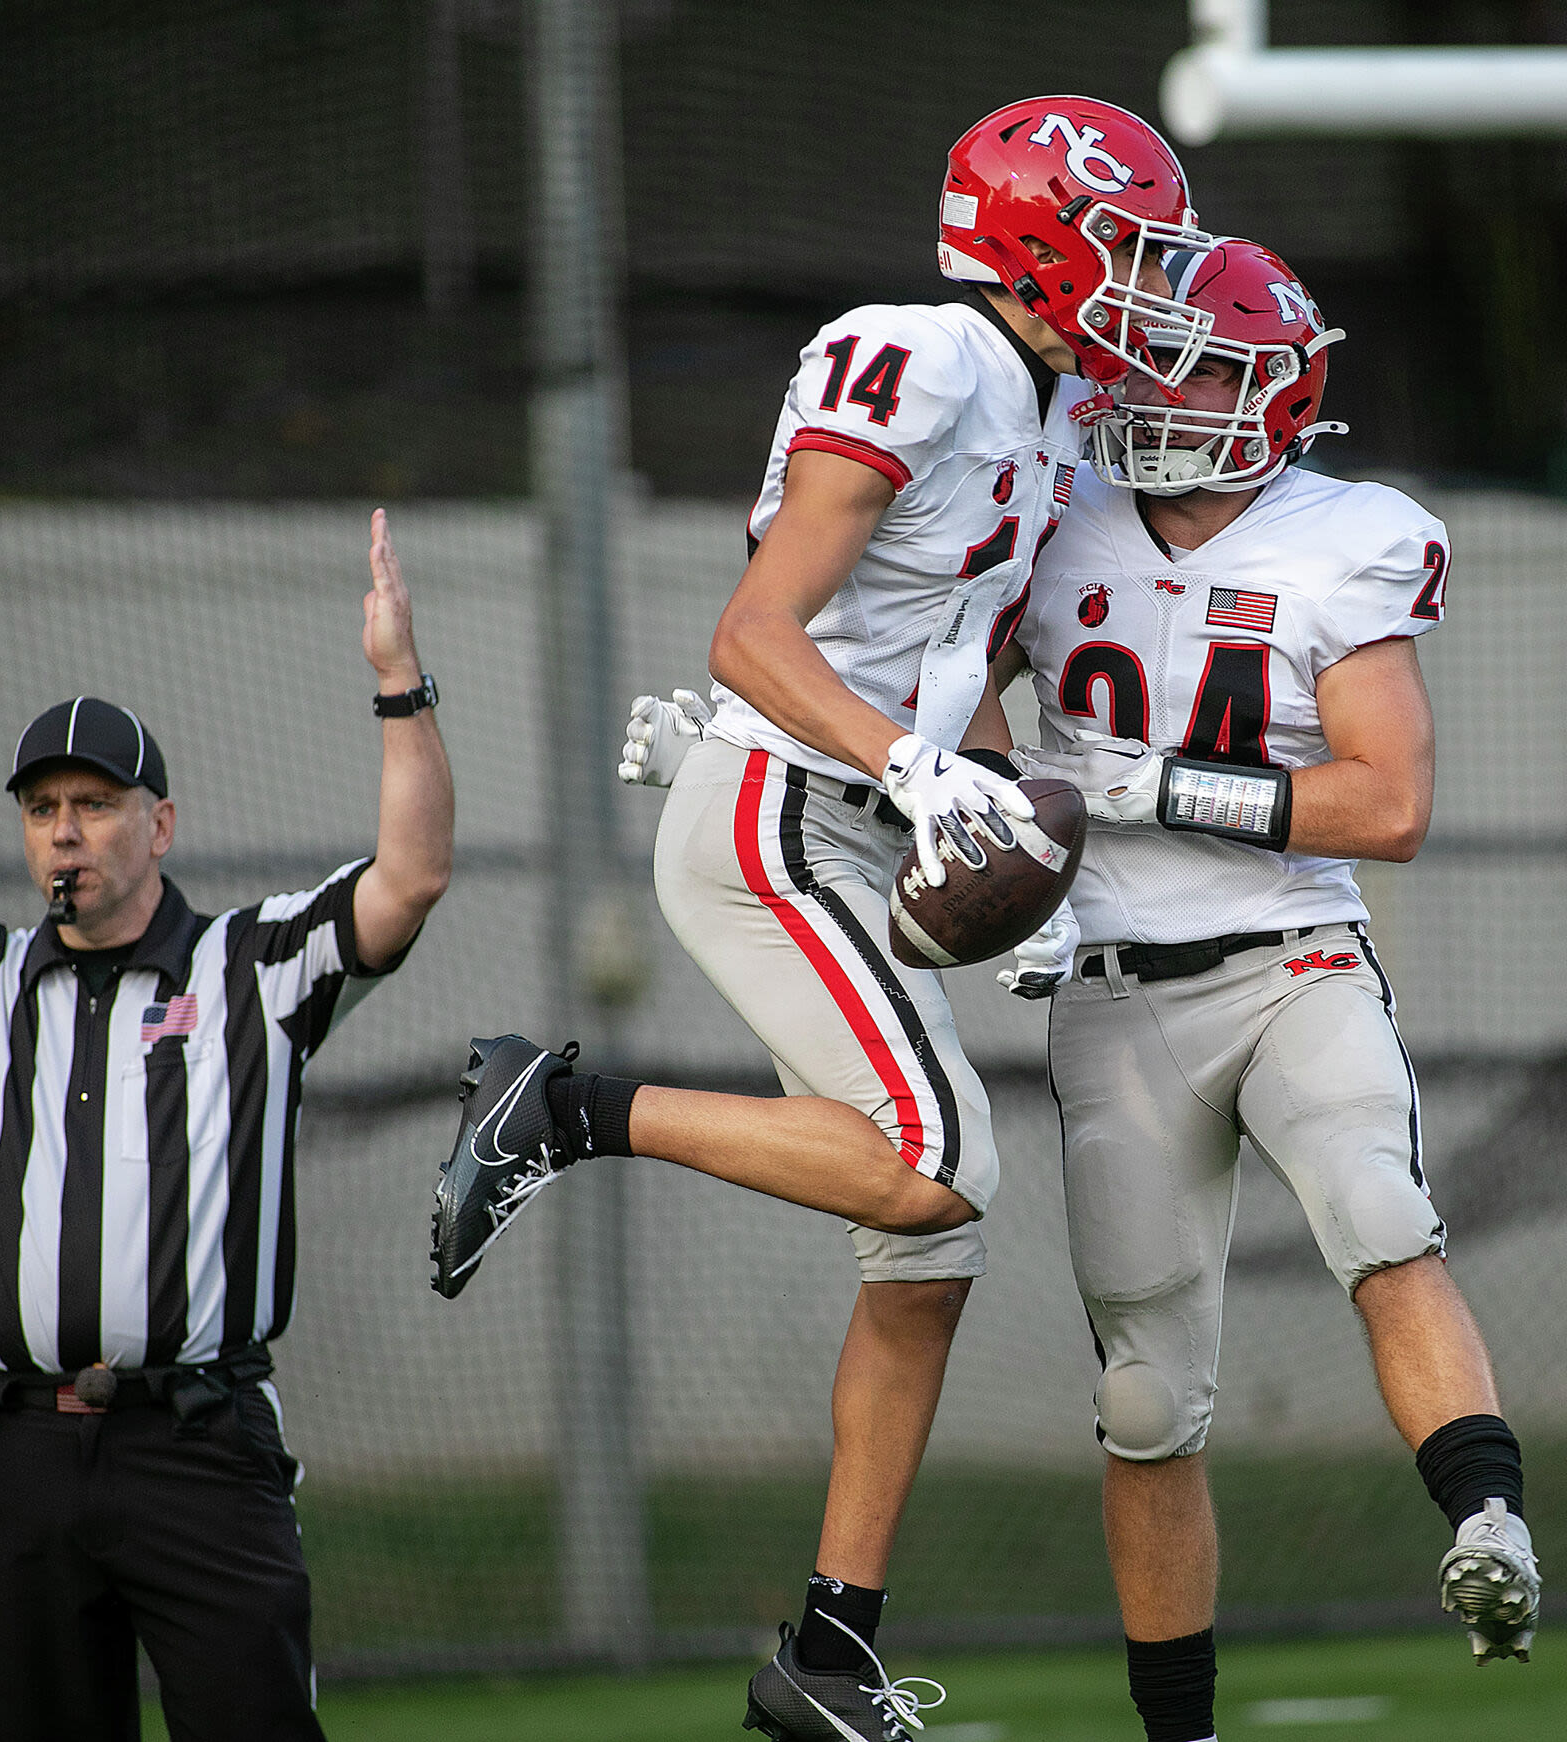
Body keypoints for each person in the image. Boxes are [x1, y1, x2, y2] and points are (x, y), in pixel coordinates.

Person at [431, 98, 1212, 1741]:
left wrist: (1012, 840)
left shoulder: (1053, 414)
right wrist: (905, 764)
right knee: (936, 1160)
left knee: (928, 1234)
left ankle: (829, 1645)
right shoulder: (919, 357)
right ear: (1031, 236)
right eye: (1128, 246)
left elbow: (949, 655)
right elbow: (754, 627)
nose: (1148, 285)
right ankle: (561, 1107)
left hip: (857, 813)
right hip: (787, 814)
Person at [0, 511, 452, 1741]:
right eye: (41, 806)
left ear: (159, 824)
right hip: (8, 1446)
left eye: (95, 801)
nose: (64, 828)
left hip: (197, 1441)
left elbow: (408, 879)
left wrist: (398, 681)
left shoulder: (252, 967)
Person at [986, 239, 1538, 1742]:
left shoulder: (1344, 534)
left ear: (1282, 389)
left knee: (1376, 1207)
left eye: (1202, 365)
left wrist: (1159, 786)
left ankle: (1486, 1519)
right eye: (1149, 359)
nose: (1164, 392)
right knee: (1149, 1401)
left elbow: (1389, 804)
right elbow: (952, 685)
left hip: (1291, 955)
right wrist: (971, 805)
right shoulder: (1050, 507)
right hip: (1112, 990)